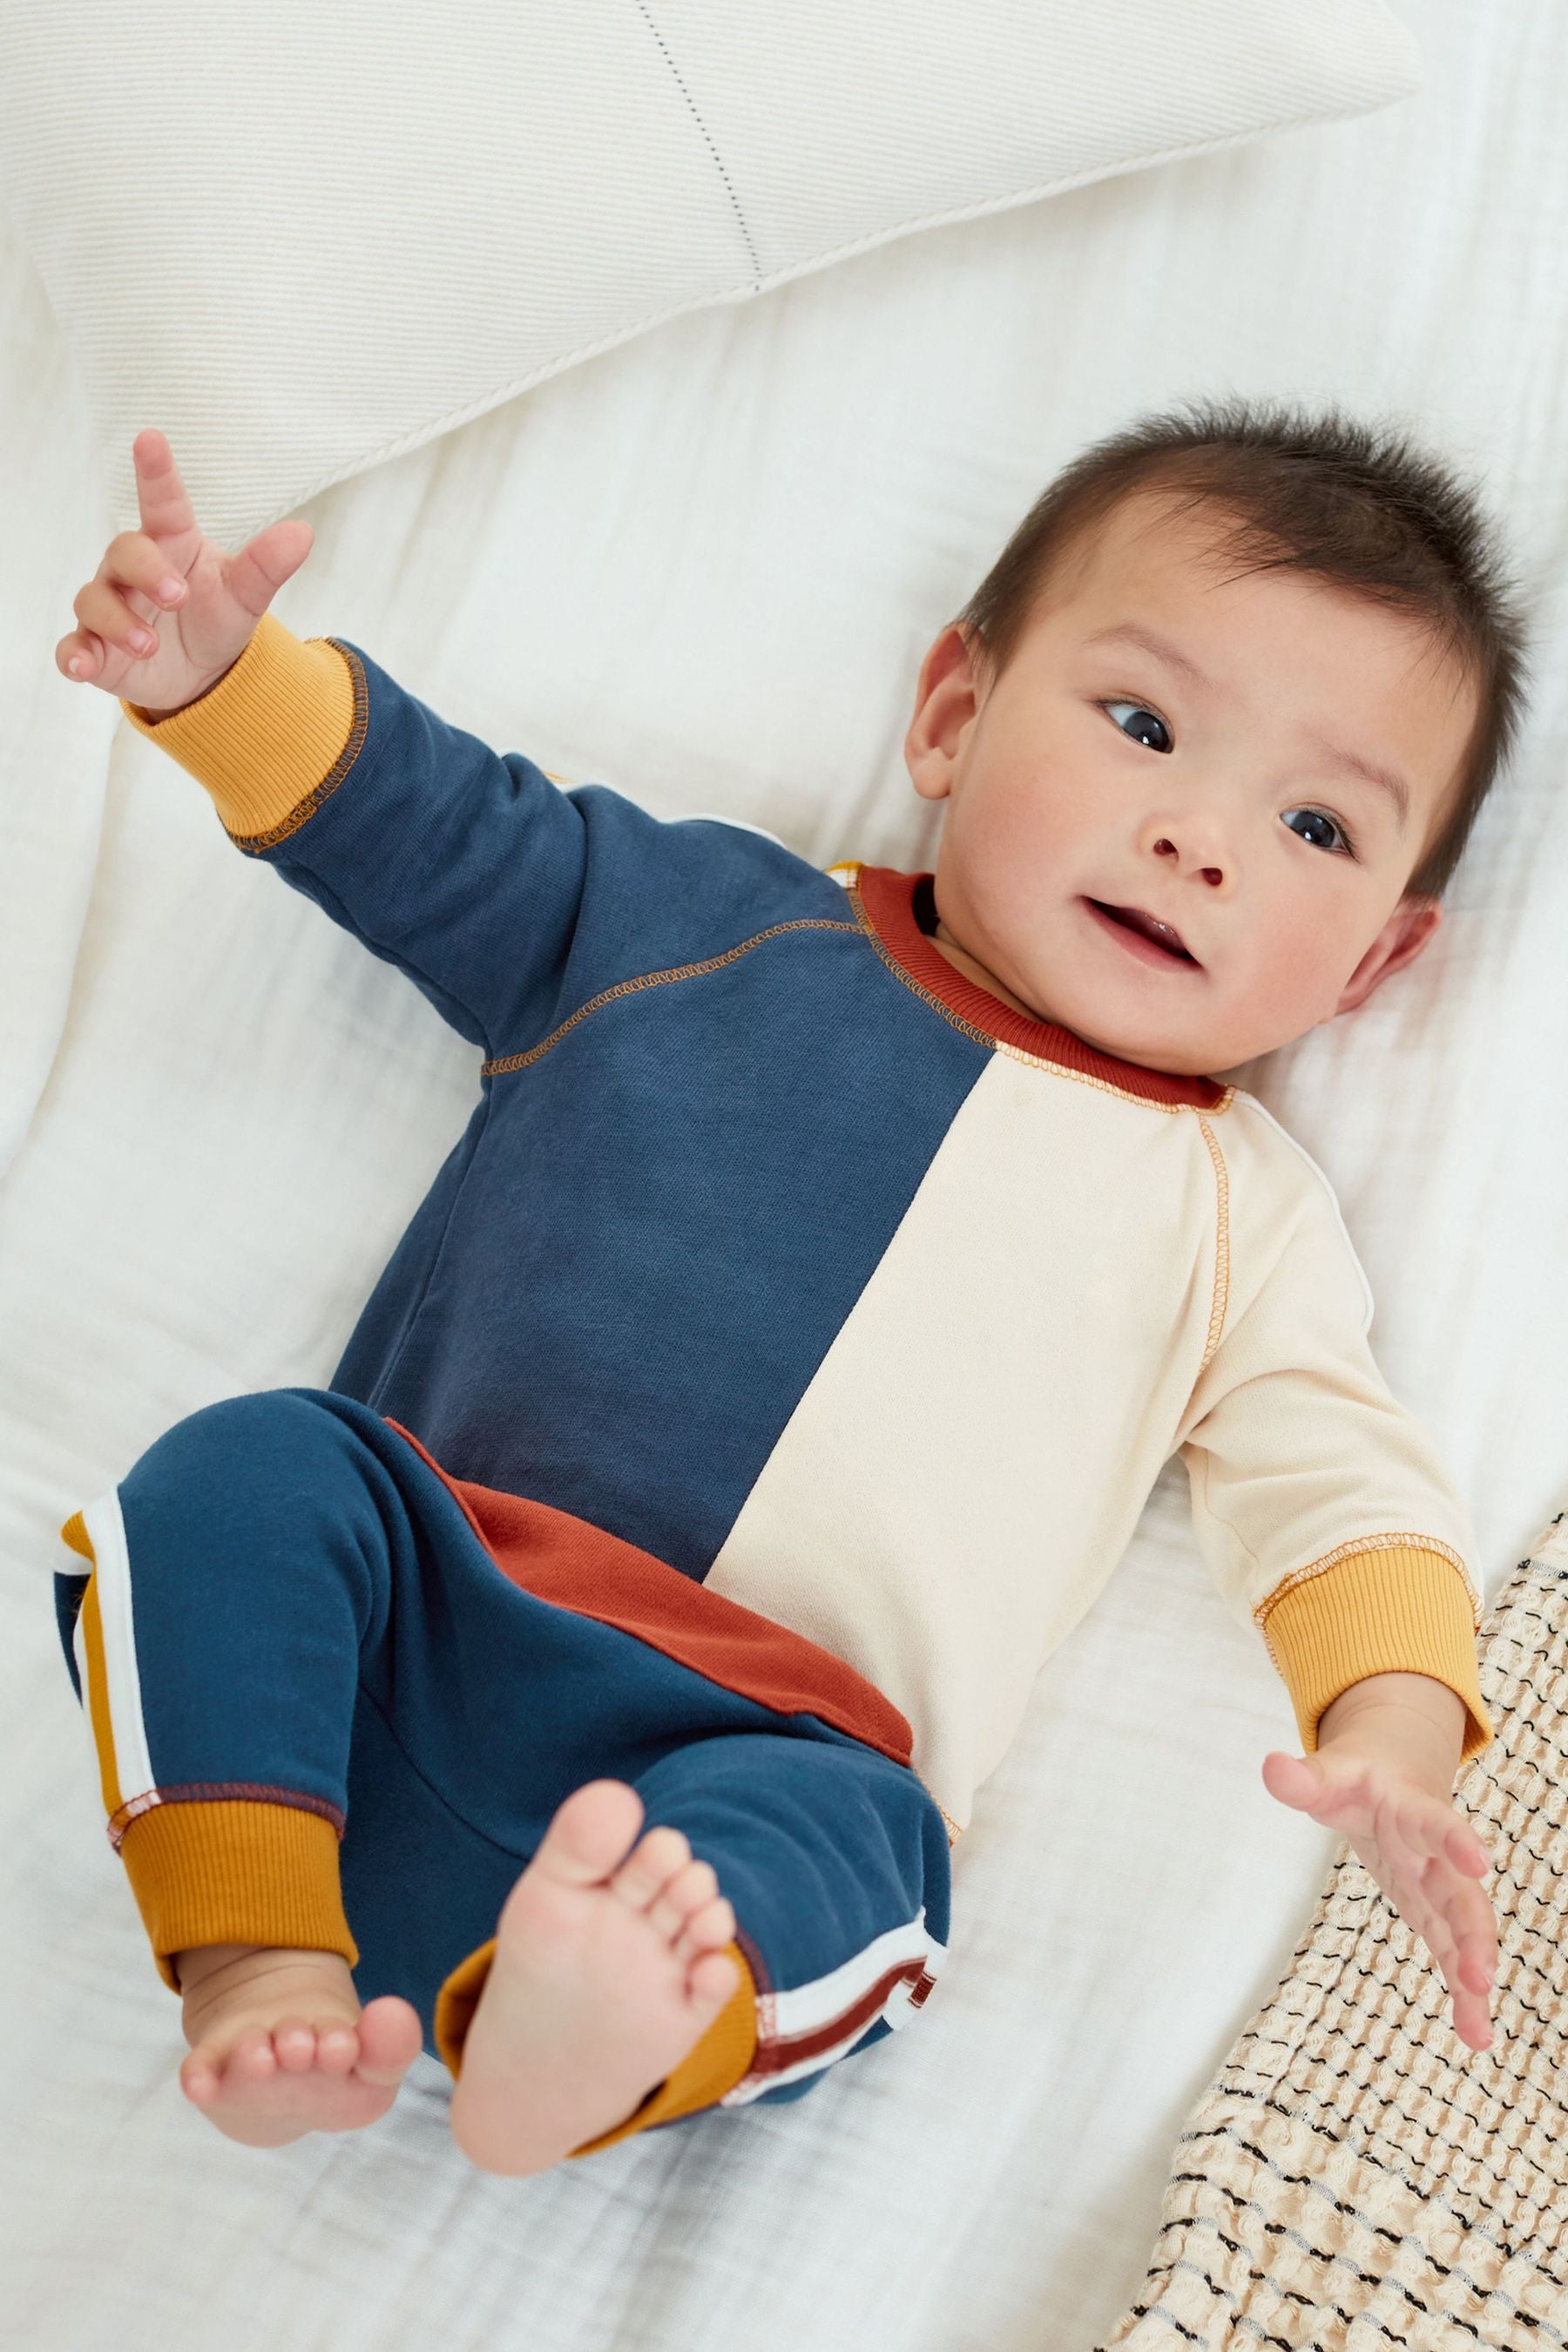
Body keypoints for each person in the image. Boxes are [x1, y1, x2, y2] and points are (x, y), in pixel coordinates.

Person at [51, 398, 1528, 2174]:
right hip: (410, 1611)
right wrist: (220, 680)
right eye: (1144, 725)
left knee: (878, 1853)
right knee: (252, 1474)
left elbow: (1346, 1502)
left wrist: (1392, 1741)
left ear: (1376, 958)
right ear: (954, 714)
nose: (1200, 837)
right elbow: (432, 828)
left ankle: (591, 2042)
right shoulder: (692, 920)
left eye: (1315, 826)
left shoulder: (1246, 1220)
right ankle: (256, 1954)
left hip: (761, 1757)